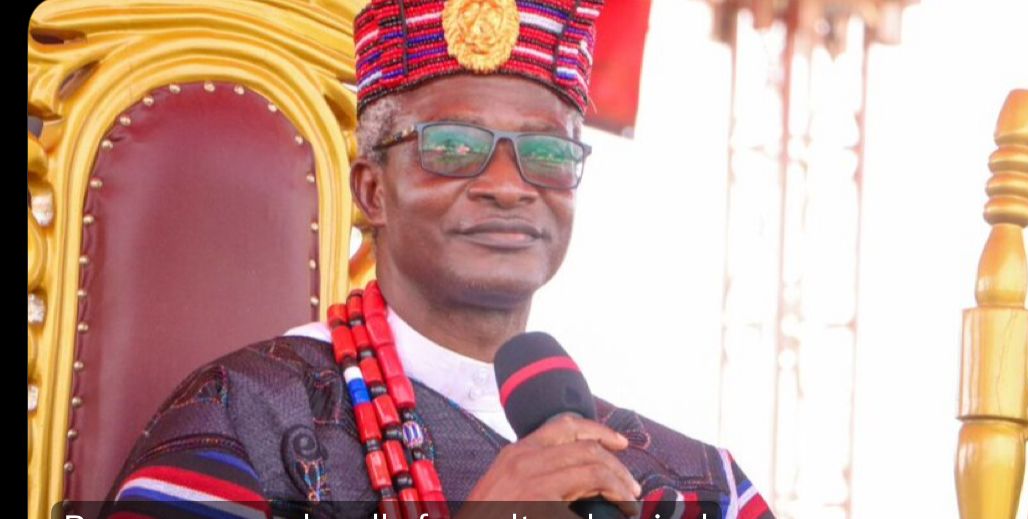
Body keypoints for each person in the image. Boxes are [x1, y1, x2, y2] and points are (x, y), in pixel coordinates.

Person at [105, 1, 774, 518]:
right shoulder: (241, 422)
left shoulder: (695, 484)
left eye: (546, 153)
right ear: (373, 190)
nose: (507, 186)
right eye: (454, 147)